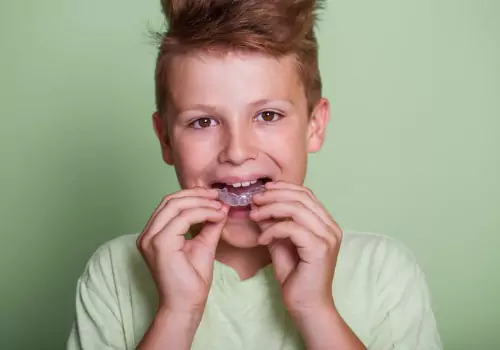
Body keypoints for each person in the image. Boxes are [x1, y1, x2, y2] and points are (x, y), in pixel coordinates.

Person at [67, 0, 442, 349]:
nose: (237, 151)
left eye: (268, 116)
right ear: (165, 138)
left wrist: (316, 311)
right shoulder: (116, 272)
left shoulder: (383, 272)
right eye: (203, 121)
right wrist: (177, 314)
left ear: (314, 125)